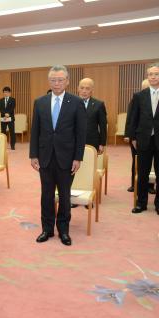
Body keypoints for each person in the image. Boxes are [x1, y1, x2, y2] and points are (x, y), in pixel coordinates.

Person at [29, 65, 87, 246]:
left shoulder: (76, 102)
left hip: (67, 158)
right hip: (45, 156)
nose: (57, 83)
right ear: (49, 81)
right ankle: (47, 229)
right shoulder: (40, 102)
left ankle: (63, 230)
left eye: (60, 80)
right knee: (46, 194)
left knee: (64, 195)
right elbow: (35, 130)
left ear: (67, 81)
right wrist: (33, 155)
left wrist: (78, 157)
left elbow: (81, 133)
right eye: (53, 80)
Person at [126, 62, 159, 215]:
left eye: (156, 74)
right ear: (147, 77)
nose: (153, 77)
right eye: (150, 74)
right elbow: (133, 118)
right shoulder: (139, 96)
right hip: (143, 139)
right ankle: (141, 203)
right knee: (143, 173)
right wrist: (132, 136)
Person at [124, 79, 155, 194]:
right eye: (144, 87)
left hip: (153, 137)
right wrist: (129, 135)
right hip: (138, 137)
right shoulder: (136, 99)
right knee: (137, 162)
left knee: (152, 163)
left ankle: (150, 186)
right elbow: (131, 119)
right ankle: (134, 184)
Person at [78, 78, 107, 154]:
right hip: (74, 141)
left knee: (90, 164)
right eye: (82, 88)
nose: (84, 91)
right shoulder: (71, 103)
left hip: (92, 142)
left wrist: (102, 143)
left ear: (91, 90)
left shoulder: (99, 104)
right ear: (78, 89)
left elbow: (103, 126)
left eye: (87, 88)